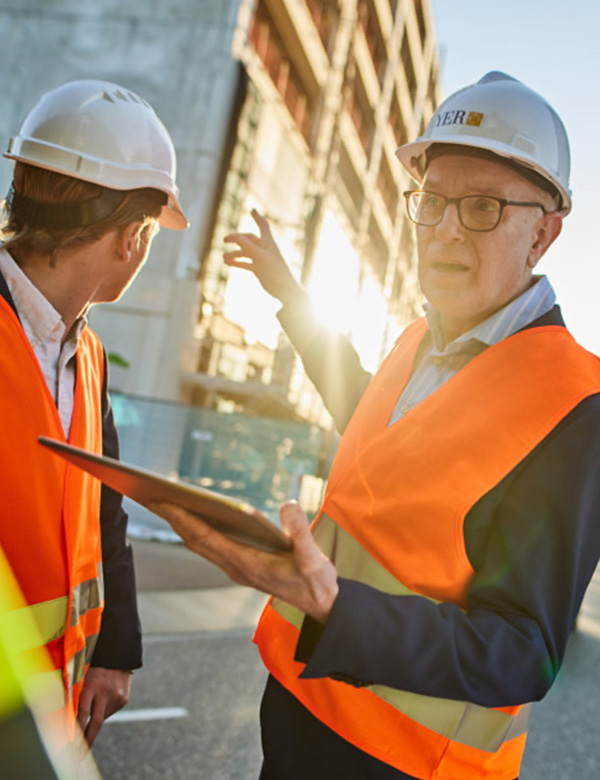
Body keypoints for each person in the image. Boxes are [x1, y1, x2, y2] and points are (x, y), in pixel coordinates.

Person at [152, 72, 600, 780]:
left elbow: (522, 651)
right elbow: (360, 407)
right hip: (300, 715)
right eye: (432, 201)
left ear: (543, 234)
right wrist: (293, 297)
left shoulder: (577, 404)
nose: (447, 228)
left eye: (482, 207)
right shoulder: (419, 340)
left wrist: (335, 606)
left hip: (408, 766)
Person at [0, 79, 188, 750]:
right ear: (133, 238)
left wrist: (115, 648)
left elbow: (105, 506)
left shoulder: (90, 355)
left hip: (47, 707)